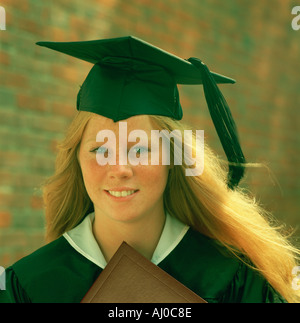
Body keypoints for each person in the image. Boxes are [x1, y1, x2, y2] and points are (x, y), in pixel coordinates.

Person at [0, 36, 299, 303]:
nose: (119, 168)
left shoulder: (233, 277)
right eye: (99, 149)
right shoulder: (28, 286)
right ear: (76, 160)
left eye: (140, 149)